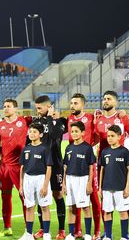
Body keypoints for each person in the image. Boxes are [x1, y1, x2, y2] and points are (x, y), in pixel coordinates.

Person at [31, 95, 68, 240]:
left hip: (56, 164)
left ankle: (61, 230)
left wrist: (53, 119)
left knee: (57, 195)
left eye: (40, 108)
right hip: (40, 164)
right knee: (41, 196)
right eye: (36, 108)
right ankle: (42, 229)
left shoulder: (59, 121)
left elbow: (53, 135)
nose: (37, 110)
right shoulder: (36, 122)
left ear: (49, 106)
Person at [67, 93, 102, 239]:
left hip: (87, 162)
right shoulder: (69, 119)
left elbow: (98, 135)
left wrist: (88, 149)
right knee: (75, 198)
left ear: (82, 105)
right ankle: (77, 230)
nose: (72, 106)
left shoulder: (90, 118)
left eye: (75, 103)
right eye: (71, 103)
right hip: (73, 162)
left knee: (92, 196)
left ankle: (97, 230)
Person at [0, 99, 30, 236]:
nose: (6, 109)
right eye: (4, 106)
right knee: (5, 196)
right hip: (4, 167)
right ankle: (7, 227)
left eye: (9, 106)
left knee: (24, 196)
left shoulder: (24, 121)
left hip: (19, 166)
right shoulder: (1, 124)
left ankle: (27, 229)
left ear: (16, 109)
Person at [18, 123, 53, 240]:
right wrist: (21, 185)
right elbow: (22, 168)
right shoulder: (26, 148)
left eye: (35, 132)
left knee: (44, 207)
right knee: (29, 207)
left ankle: (47, 233)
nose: (31, 134)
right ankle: (28, 234)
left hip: (41, 179)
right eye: (30, 131)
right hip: (28, 179)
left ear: (41, 134)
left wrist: (45, 185)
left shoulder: (45, 149)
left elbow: (49, 167)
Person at [98, 125, 129, 240]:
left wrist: (127, 187)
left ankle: (124, 236)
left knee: (123, 212)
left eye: (112, 136)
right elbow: (102, 170)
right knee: (107, 212)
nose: (110, 138)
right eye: (108, 136)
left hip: (120, 188)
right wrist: (100, 188)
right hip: (107, 187)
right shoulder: (104, 151)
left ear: (119, 136)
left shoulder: (124, 151)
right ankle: (108, 236)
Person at [62, 122, 95, 240]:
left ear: (83, 133)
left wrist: (89, 183)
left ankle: (87, 233)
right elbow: (65, 166)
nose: (74, 134)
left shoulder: (87, 148)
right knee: (71, 207)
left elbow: (91, 166)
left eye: (76, 131)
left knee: (85, 207)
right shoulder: (69, 147)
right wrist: (64, 184)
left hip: (83, 179)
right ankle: (71, 234)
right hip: (70, 179)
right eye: (72, 131)